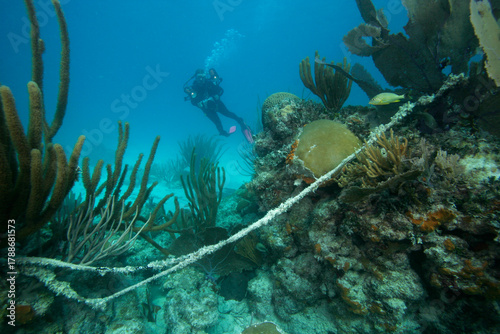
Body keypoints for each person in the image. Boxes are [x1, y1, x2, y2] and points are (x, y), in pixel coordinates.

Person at [184, 69, 253, 143]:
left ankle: (243, 124)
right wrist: (198, 103)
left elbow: (220, 90)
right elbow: (193, 102)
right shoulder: (194, 88)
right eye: (198, 77)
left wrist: (216, 95)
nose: (201, 79)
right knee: (217, 122)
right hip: (206, 109)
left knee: (228, 114)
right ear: (196, 78)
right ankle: (223, 132)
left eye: (202, 77)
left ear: (205, 76)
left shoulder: (209, 83)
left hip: (216, 103)